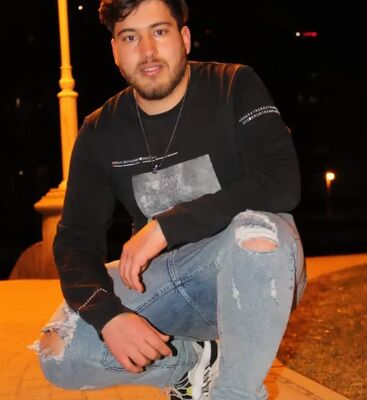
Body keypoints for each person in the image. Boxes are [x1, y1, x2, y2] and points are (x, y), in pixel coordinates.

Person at [35, 0, 307, 398]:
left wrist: (166, 227)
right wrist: (108, 316)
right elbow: (75, 240)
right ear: (115, 50)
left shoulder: (234, 85)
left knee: (255, 232)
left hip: (257, 268)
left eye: (159, 32)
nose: (147, 51)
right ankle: (192, 362)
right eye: (130, 37)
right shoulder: (99, 131)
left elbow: (282, 181)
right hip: (170, 282)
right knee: (58, 351)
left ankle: (234, 392)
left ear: (185, 38)